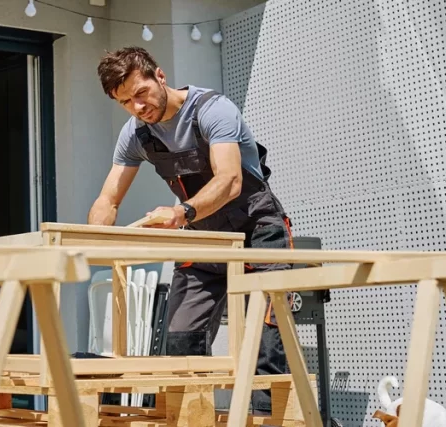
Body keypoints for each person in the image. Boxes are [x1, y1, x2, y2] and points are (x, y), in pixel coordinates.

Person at [89, 46, 294, 416]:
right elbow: (108, 200)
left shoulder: (212, 109)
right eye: (124, 102)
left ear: (160, 77)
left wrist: (182, 212)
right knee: (180, 339)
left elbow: (231, 180)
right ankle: (191, 419)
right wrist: (89, 242)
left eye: (140, 93)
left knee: (265, 346)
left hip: (257, 233)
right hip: (203, 242)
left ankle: (268, 421)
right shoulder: (136, 134)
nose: (137, 107)